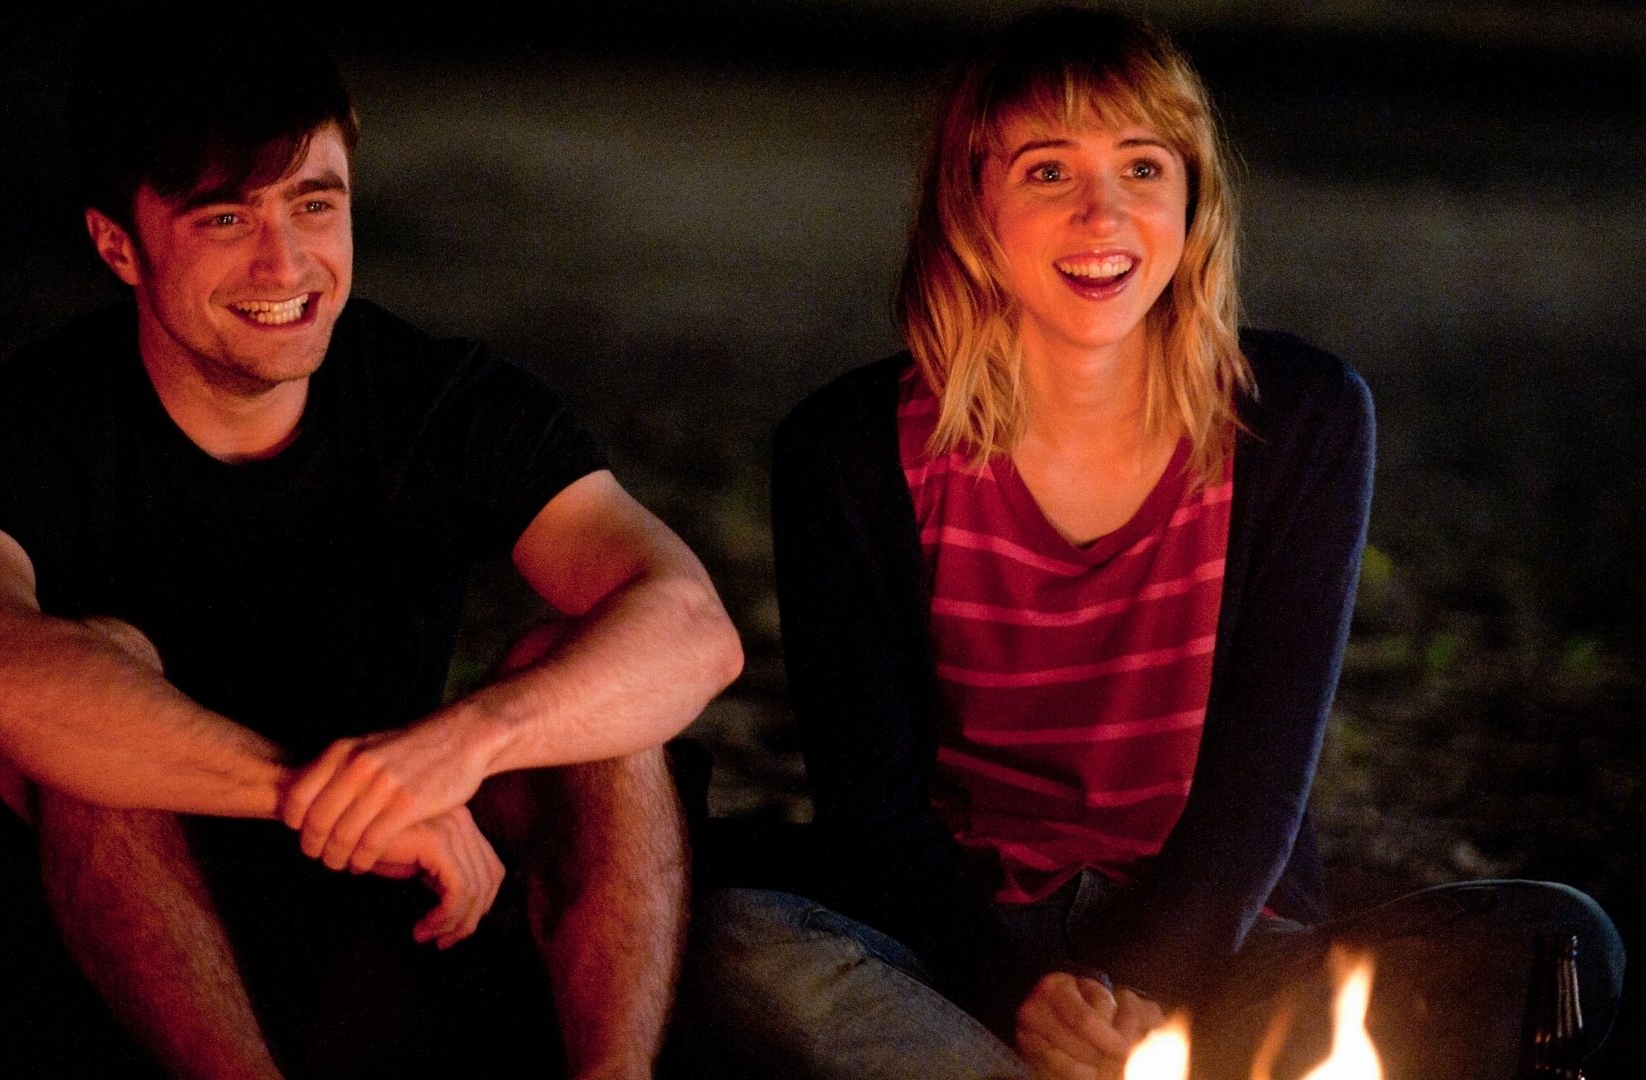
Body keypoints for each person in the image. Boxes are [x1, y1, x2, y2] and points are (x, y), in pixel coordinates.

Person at [681, 8, 1622, 1080]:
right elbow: (873, 814)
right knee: (732, 944)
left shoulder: (1297, 420)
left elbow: (1257, 797)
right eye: (1048, 172)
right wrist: (1023, 995)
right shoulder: (847, 451)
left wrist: (1141, 998)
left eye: (1142, 167)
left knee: (1559, 946)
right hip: (960, 947)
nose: (1104, 213)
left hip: (1219, 950)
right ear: (971, 206)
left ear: (1192, 200)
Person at [0, 16, 742, 1080]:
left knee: (590, 690)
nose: (285, 261)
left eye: (314, 203)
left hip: (403, 910)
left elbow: (691, 627)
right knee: (88, 683)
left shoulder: (441, 399)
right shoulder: (10, 427)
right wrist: (322, 794)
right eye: (226, 216)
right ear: (118, 246)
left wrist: (469, 742)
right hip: (115, 936)